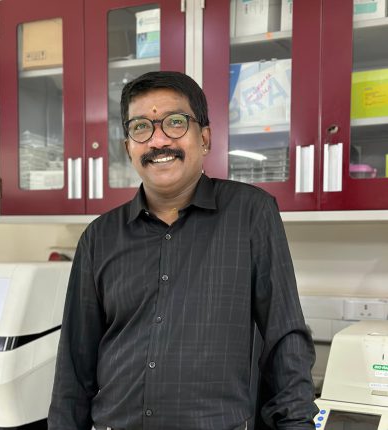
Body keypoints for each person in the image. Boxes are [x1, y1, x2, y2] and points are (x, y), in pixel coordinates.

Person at [48, 71, 318, 430]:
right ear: (128, 147)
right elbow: (74, 366)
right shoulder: (99, 237)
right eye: (141, 127)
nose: (158, 140)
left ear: (204, 138)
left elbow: (285, 342)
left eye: (175, 122)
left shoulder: (250, 214)